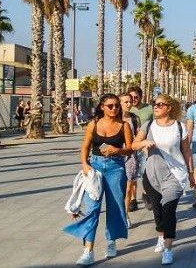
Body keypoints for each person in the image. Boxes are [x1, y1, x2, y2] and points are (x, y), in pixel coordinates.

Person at [64, 93, 133, 266]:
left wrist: (117, 150)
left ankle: (111, 241)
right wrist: (85, 165)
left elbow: (130, 149)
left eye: (117, 105)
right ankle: (88, 250)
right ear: (102, 107)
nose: (115, 108)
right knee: (92, 209)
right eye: (110, 106)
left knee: (115, 206)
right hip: (94, 168)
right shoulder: (93, 124)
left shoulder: (124, 125)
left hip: (115, 168)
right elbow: (85, 147)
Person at [132, 94, 192, 265]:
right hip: (151, 175)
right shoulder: (148, 125)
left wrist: (191, 173)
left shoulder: (180, 127)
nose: (155, 107)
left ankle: (168, 248)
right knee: (157, 211)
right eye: (154, 104)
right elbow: (133, 144)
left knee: (168, 210)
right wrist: (143, 143)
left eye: (159, 104)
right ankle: (160, 234)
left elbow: (186, 151)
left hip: (175, 176)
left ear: (169, 107)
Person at [128, 87, 154, 210]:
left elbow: (155, 125)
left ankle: (146, 194)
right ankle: (133, 199)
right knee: (132, 174)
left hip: (145, 146)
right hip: (130, 146)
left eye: (136, 97)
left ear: (141, 96)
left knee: (145, 172)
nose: (133, 99)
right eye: (131, 97)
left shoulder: (149, 109)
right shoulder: (127, 109)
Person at [119, 93, 141, 226]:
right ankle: (119, 213)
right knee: (118, 189)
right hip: (115, 156)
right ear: (120, 103)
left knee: (128, 188)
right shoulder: (113, 118)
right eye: (125, 102)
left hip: (131, 156)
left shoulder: (134, 118)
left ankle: (125, 215)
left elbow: (138, 136)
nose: (129, 104)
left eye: (130, 101)